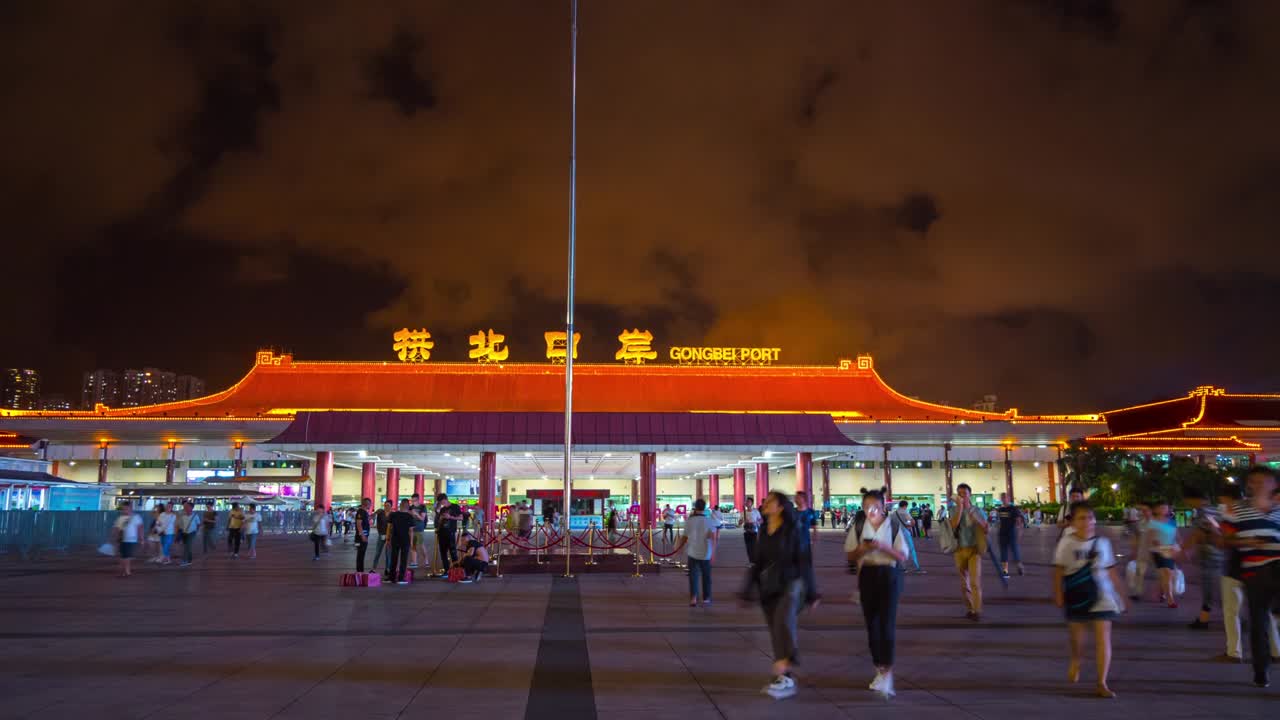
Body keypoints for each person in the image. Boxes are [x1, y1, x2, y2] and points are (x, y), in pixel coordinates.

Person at [742, 491, 817, 700]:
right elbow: (758, 562)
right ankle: (786, 677)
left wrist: (812, 592)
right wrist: (748, 589)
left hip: (791, 584)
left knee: (784, 621)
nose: (765, 504)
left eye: (769, 501)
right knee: (775, 632)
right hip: (769, 586)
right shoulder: (765, 529)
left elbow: (804, 561)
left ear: (781, 506)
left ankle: (790, 660)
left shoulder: (794, 529)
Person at [1053, 501, 1125, 699]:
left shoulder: (1103, 543)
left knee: (1103, 638)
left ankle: (1101, 682)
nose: (1087, 522)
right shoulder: (1066, 544)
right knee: (1078, 639)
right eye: (1081, 518)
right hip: (1076, 595)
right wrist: (1058, 594)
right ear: (1073, 522)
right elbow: (1058, 571)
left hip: (1103, 596)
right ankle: (1076, 658)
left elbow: (1110, 570)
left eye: (1090, 517)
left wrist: (1121, 594)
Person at [845, 488, 910, 698]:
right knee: (871, 624)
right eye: (866, 507)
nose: (870, 511)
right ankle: (879, 669)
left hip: (889, 575)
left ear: (884, 507)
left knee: (886, 623)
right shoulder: (859, 525)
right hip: (867, 576)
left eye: (875, 507)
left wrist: (883, 547)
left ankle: (888, 671)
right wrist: (862, 551)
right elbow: (850, 555)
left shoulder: (893, 525)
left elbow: (902, 556)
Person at [1221, 466, 1280, 688]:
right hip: (1255, 572)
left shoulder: (1278, 510)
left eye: (1263, 481)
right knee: (1258, 622)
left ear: (1273, 484)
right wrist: (1248, 542)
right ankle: (1261, 670)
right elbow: (1224, 541)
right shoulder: (1235, 510)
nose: (1257, 485)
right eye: (1253, 481)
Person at [1182, 487, 1223, 629]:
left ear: (1194, 499)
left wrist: (1183, 550)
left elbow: (1198, 534)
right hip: (1214, 554)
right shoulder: (1213, 510)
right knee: (1211, 588)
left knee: (1210, 588)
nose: (1187, 503)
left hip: (1211, 555)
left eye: (1187, 500)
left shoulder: (1204, 512)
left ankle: (1205, 619)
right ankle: (1204, 618)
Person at [949, 483, 989, 621]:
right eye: (959, 494)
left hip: (974, 550)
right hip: (959, 550)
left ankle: (977, 610)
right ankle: (970, 608)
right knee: (963, 583)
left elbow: (985, 528)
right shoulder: (954, 510)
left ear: (970, 494)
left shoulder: (977, 510)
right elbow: (953, 525)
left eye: (964, 494)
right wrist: (960, 508)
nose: (962, 496)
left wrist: (978, 520)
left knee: (975, 582)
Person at [1146, 500, 1180, 609]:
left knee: (1167, 575)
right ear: (1156, 509)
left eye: (1166, 507)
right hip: (1158, 551)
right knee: (1167, 572)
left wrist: (1179, 547)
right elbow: (1150, 538)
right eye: (1161, 507)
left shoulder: (1172, 521)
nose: (1164, 509)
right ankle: (1170, 600)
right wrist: (1156, 542)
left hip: (1171, 550)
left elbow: (1177, 536)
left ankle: (1161, 592)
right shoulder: (1152, 522)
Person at [684, 499, 716, 607]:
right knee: (706, 576)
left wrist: (678, 548)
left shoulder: (690, 521)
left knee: (693, 576)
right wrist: (713, 552)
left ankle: (693, 598)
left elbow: (684, 536)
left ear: (695, 507)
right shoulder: (709, 521)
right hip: (706, 553)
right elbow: (713, 537)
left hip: (692, 552)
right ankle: (706, 598)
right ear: (704, 508)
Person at [995, 492, 1026, 577]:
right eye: (1002, 498)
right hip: (1002, 533)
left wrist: (1020, 532)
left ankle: (1019, 566)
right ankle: (1005, 570)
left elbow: (1019, 521)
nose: (1004, 499)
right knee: (1003, 552)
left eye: (1005, 498)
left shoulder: (1013, 508)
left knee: (1015, 550)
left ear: (1008, 499)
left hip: (1011, 532)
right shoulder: (1000, 509)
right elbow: (1000, 521)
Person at [387, 499, 416, 584]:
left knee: (393, 558)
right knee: (404, 559)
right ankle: (400, 578)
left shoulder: (393, 515)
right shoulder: (409, 516)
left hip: (395, 539)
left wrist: (388, 539)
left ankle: (391, 578)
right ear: (407, 506)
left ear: (400, 505)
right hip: (405, 540)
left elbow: (389, 527)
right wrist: (411, 543)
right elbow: (411, 531)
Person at [113, 501, 145, 577]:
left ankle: (127, 571)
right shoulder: (120, 518)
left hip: (131, 539)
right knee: (123, 556)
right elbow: (116, 528)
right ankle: (126, 570)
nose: (125, 510)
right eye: (124, 509)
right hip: (122, 539)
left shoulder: (136, 517)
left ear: (130, 508)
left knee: (126, 556)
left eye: (126, 508)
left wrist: (141, 538)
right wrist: (115, 537)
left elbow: (140, 528)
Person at [892, 500, 923, 574]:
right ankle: (916, 566)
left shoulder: (894, 513)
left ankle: (902, 567)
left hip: (896, 533)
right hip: (905, 532)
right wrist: (909, 526)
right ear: (905, 506)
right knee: (911, 548)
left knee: (899, 549)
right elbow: (913, 522)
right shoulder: (905, 512)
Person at [435, 493, 462, 575]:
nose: (441, 503)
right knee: (443, 552)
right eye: (440, 502)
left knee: (453, 551)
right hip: (441, 532)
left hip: (450, 532)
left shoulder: (455, 507)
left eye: (442, 501)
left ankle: (456, 570)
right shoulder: (442, 509)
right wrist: (440, 519)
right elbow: (439, 520)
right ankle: (446, 570)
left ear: (445, 499)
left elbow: (461, 517)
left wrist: (450, 517)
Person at [352, 497, 372, 572]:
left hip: (362, 537)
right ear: (367, 504)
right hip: (360, 538)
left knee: (361, 554)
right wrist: (362, 535)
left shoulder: (364, 512)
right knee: (360, 554)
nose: (370, 506)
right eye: (370, 504)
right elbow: (359, 524)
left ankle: (360, 570)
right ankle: (360, 571)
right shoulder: (361, 512)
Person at [372, 500, 392, 571]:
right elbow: (374, 519)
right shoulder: (381, 512)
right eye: (385, 505)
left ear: (391, 506)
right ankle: (374, 568)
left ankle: (388, 569)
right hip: (381, 535)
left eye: (388, 505)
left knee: (388, 554)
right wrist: (375, 513)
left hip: (389, 537)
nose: (386, 507)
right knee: (378, 552)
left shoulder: (393, 514)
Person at [409, 493, 428, 569]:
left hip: (419, 528)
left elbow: (422, 518)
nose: (413, 502)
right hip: (412, 529)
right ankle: (414, 561)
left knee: (421, 545)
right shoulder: (411, 507)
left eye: (415, 500)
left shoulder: (422, 507)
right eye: (412, 500)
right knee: (412, 545)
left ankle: (426, 561)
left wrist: (416, 514)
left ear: (418, 499)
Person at [179, 501, 200, 566]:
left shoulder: (195, 515)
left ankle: (184, 560)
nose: (185, 507)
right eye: (185, 506)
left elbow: (198, 524)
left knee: (187, 545)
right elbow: (180, 524)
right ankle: (189, 559)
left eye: (187, 506)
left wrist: (197, 531)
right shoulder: (182, 515)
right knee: (187, 546)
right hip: (184, 533)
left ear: (191, 508)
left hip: (192, 532)